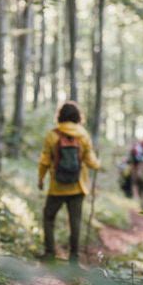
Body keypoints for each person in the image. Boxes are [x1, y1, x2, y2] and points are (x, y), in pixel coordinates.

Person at [38, 101, 100, 262]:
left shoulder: (52, 135)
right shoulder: (83, 135)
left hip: (57, 187)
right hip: (78, 187)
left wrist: (41, 179)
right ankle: (74, 258)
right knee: (75, 222)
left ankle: (50, 253)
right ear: (78, 117)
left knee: (48, 217)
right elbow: (91, 161)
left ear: (60, 116)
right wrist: (98, 164)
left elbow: (45, 161)